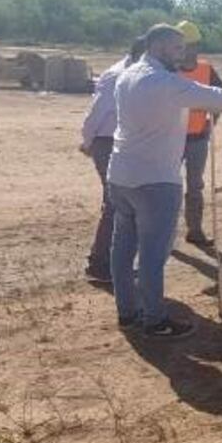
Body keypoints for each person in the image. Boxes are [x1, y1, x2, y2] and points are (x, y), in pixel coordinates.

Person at [108, 24, 222, 339]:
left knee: (122, 249)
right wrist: (221, 95)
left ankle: (127, 312)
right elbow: (221, 100)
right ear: (160, 47)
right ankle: (154, 320)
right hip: (155, 180)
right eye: (178, 48)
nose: (183, 54)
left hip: (121, 175)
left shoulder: (126, 75)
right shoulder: (165, 82)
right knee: (153, 253)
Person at [79, 36, 147, 283]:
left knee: (122, 203)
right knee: (115, 202)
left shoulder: (138, 75)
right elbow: (96, 113)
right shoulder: (116, 75)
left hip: (124, 143)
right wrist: (88, 141)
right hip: (108, 142)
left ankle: (113, 261)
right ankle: (100, 263)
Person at [175, 20, 222, 248]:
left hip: (197, 139)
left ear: (197, 46)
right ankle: (165, 233)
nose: (187, 50)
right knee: (168, 185)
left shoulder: (206, 69)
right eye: (182, 46)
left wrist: (211, 122)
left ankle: (194, 230)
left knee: (195, 186)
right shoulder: (168, 71)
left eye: (191, 45)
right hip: (170, 139)